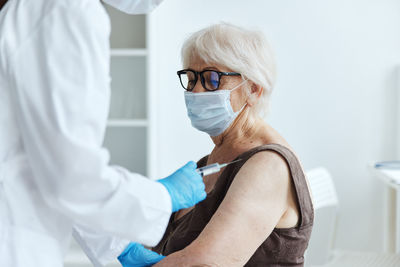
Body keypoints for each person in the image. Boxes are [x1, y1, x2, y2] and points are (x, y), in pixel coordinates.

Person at [0, 0, 206, 266]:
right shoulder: (65, 9)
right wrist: (163, 197)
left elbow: (40, 161)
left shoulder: (31, 10)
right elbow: (70, 178)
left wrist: (116, 244)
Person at [146, 23, 314, 266]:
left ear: (253, 89)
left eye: (212, 79)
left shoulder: (268, 166)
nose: (196, 91)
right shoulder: (212, 159)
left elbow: (205, 262)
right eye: (191, 79)